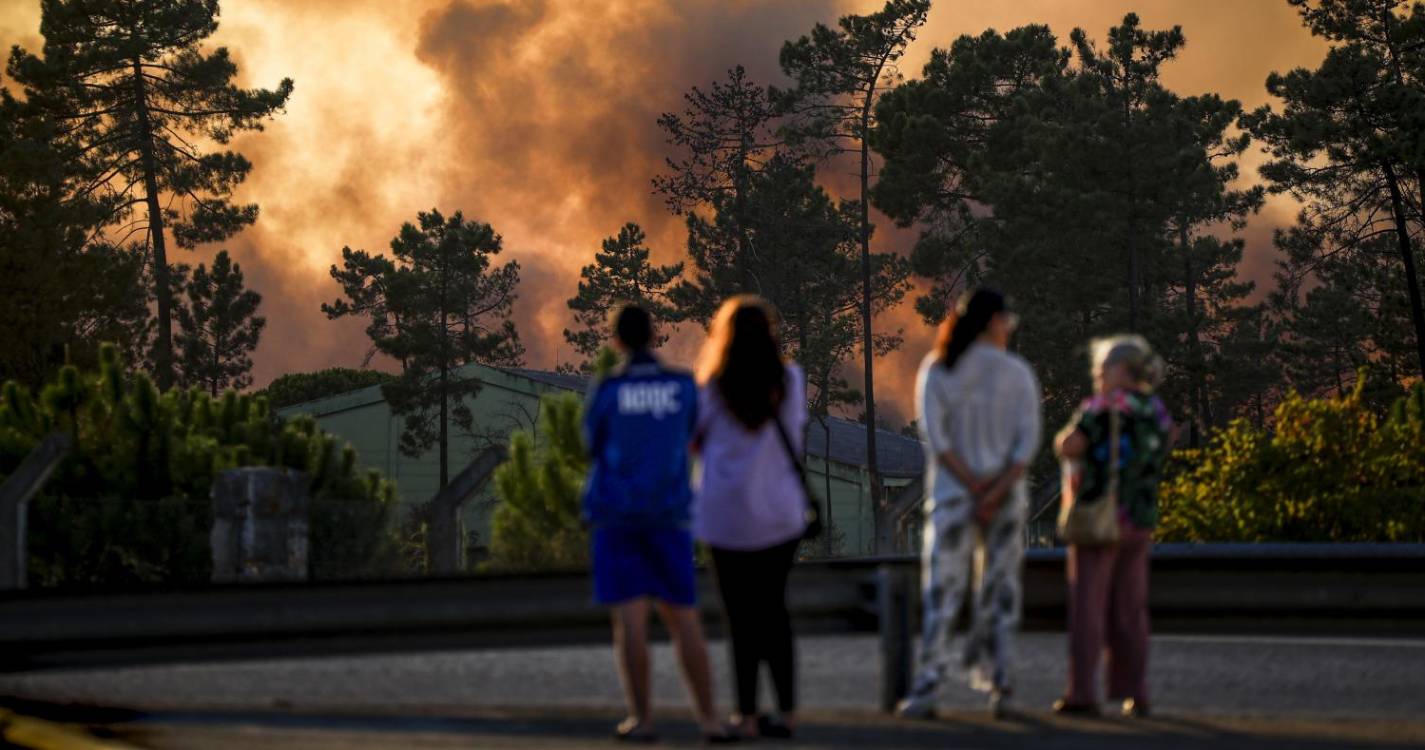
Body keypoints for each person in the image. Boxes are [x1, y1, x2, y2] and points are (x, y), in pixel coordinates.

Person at [582, 304, 735, 744]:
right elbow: (695, 437)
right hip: (669, 515)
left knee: (629, 621)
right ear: (654, 335)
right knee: (683, 619)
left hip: (619, 516)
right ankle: (708, 720)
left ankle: (643, 721)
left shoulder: (608, 390)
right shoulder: (683, 386)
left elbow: (593, 445)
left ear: (616, 340)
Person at [897, 288, 1041, 720]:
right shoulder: (1016, 372)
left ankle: (927, 687)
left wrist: (972, 488)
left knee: (943, 590)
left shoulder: (938, 369)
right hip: (1005, 501)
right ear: (994, 321)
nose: (1008, 331)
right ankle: (1001, 687)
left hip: (953, 500)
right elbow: (1025, 447)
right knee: (999, 592)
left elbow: (937, 443)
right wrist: (994, 492)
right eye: (1006, 322)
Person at [692, 296, 808, 740]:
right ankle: (788, 712)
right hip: (779, 515)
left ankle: (746, 715)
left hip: (724, 517)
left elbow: (695, 443)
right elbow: (795, 435)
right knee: (774, 612)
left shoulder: (710, 388)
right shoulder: (791, 381)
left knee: (739, 619)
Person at [1053, 334, 1174, 718]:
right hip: (1140, 521)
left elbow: (1071, 446)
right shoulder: (1155, 410)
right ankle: (1135, 692)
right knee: (1131, 610)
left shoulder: (1102, 408)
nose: (1097, 372)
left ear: (1121, 370)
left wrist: (1064, 438)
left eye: (1103, 366)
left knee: (1089, 608)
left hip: (1100, 522)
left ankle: (1083, 694)